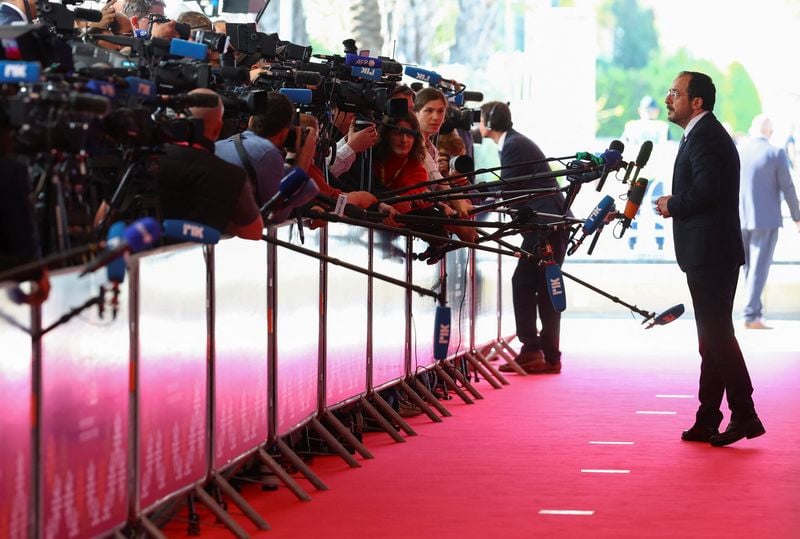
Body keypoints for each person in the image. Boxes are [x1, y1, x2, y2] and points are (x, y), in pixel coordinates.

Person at [655, 71, 765, 446]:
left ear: (696, 101)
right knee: (711, 338)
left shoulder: (705, 137)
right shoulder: (701, 134)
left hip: (710, 252)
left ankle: (745, 413)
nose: (668, 99)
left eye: (675, 93)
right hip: (709, 251)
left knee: (716, 334)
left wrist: (672, 204)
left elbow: (706, 190)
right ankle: (708, 418)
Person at [478, 101, 568, 375]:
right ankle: (543, 353)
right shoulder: (514, 143)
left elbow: (508, 187)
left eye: (480, 119)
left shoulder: (514, 145)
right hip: (545, 223)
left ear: (489, 122)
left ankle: (537, 352)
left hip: (545, 226)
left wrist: (474, 194)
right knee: (536, 286)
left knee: (535, 286)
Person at [156, 89, 264, 240]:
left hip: (136, 248)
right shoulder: (231, 177)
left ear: (178, 118)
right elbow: (253, 231)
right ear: (219, 127)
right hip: (197, 252)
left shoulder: (146, 159)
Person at [738, 114, 800, 329]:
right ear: (770, 132)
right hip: (765, 219)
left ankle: (754, 311)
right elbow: (788, 187)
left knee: (748, 268)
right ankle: (751, 315)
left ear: (752, 129)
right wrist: (797, 216)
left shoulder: (739, 151)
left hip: (740, 218)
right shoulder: (776, 153)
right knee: (759, 268)